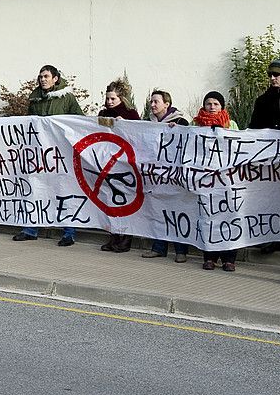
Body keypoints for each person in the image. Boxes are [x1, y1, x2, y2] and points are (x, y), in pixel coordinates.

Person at [14, 65, 83, 246]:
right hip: (39, 153)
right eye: (40, 77)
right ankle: (31, 229)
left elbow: (79, 120)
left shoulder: (67, 98)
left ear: (55, 79)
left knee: (64, 190)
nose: (42, 79)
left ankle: (69, 232)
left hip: (61, 153)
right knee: (37, 189)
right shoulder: (35, 99)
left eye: (46, 76)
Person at [142, 89, 192, 262]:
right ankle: (159, 247)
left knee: (177, 211)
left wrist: (179, 130)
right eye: (151, 102)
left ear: (167, 104)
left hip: (174, 176)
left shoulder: (180, 121)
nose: (153, 105)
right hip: (156, 176)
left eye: (156, 101)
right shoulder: (147, 123)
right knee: (157, 211)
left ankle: (180, 250)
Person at [193, 90, 241, 271]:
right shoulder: (195, 124)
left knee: (229, 216)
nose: (212, 107)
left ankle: (229, 258)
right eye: (208, 104)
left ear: (222, 107)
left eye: (216, 104)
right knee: (208, 217)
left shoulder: (231, 124)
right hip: (205, 178)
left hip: (227, 178)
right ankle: (209, 256)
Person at [98, 81, 140, 253]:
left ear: (121, 98)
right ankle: (113, 236)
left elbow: (138, 134)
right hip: (107, 161)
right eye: (107, 98)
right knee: (109, 200)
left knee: (124, 200)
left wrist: (125, 124)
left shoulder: (131, 114)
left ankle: (125, 238)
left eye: (112, 98)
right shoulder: (103, 113)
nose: (109, 102)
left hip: (124, 163)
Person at [249, 58, 280, 130]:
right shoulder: (262, 100)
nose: (272, 78)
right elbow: (254, 127)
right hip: (266, 140)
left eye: (276, 74)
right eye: (270, 75)